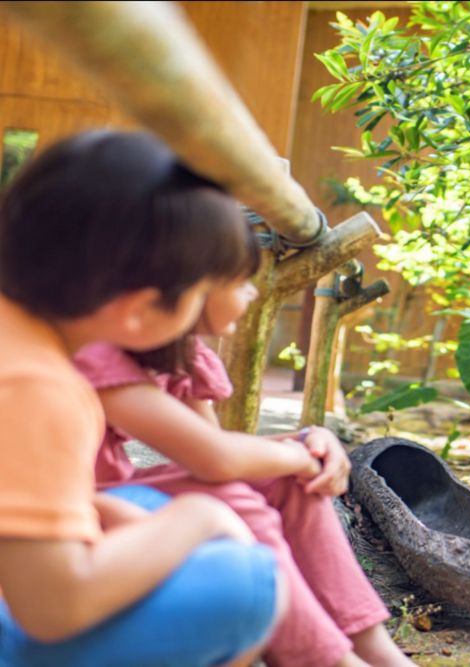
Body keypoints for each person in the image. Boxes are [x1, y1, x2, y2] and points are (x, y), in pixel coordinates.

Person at [0, 130, 287, 667]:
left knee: (146, 508)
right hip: (30, 609)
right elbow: (51, 608)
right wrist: (199, 516)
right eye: (202, 291)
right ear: (138, 309)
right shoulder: (39, 389)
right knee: (246, 583)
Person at [73, 232, 414, 666]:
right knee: (232, 494)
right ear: (190, 287)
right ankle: (322, 658)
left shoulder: (178, 352)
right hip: (76, 511)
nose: (253, 292)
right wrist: (299, 453)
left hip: (118, 496)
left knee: (288, 477)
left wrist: (309, 441)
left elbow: (221, 450)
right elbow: (215, 460)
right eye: (241, 281)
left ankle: (373, 648)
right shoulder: (99, 353)